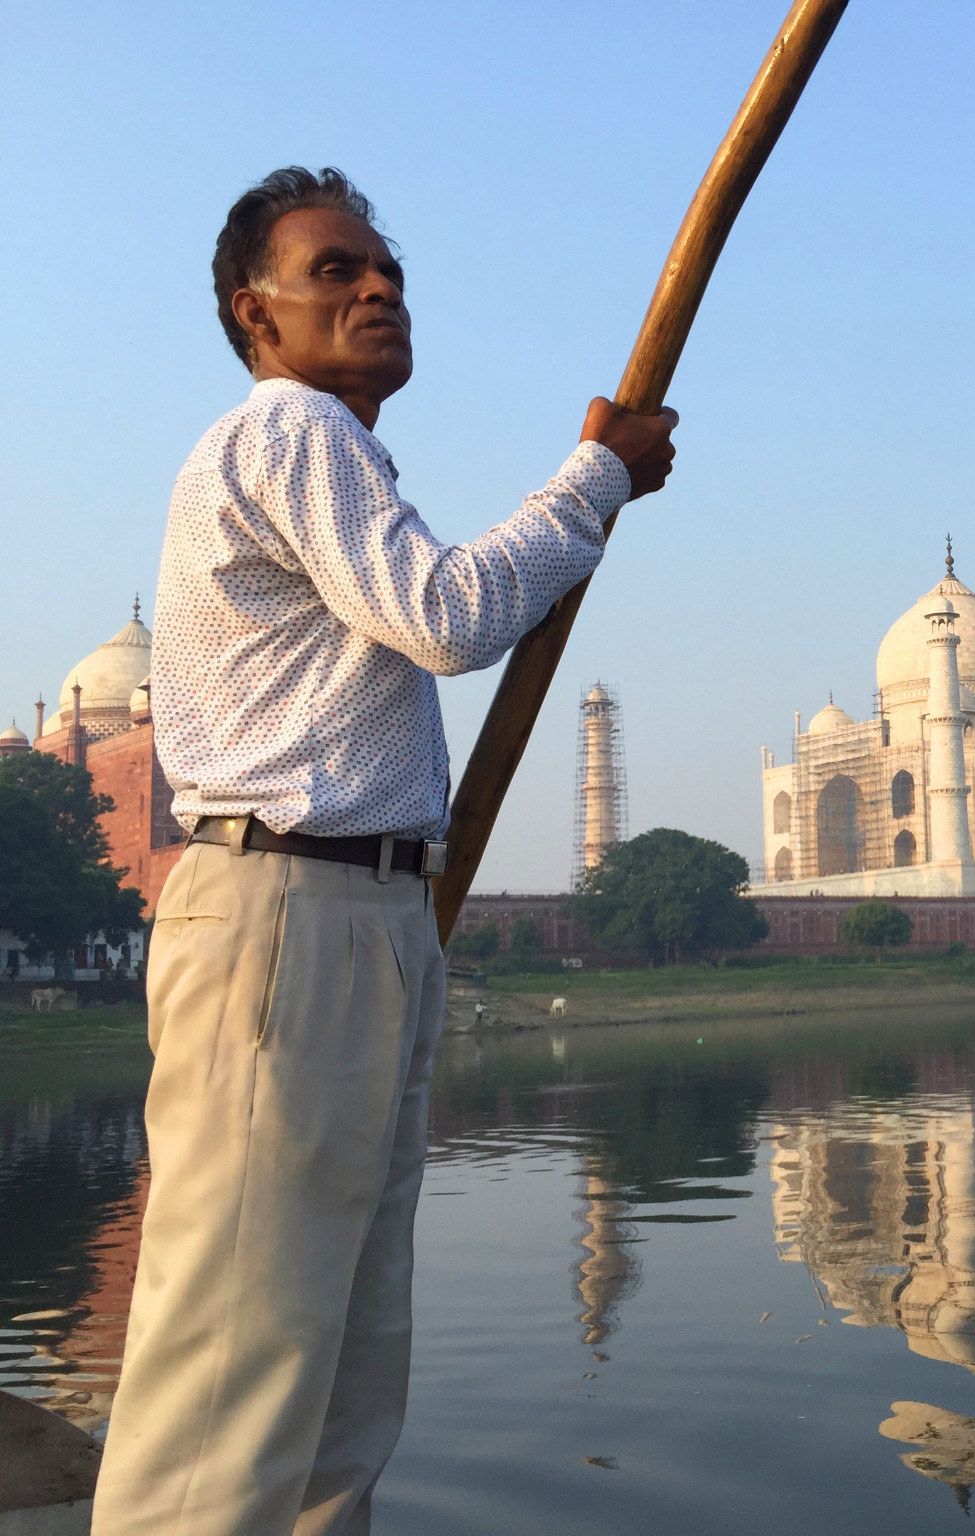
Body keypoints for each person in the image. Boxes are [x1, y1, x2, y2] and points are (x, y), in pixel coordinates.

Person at [91, 167, 678, 1536]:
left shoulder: (336, 460)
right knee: (237, 1369)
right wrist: (597, 477)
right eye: (337, 272)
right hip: (287, 920)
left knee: (344, 1359)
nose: (377, 292)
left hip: (355, 917)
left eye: (390, 274)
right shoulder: (289, 433)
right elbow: (451, 614)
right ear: (257, 314)